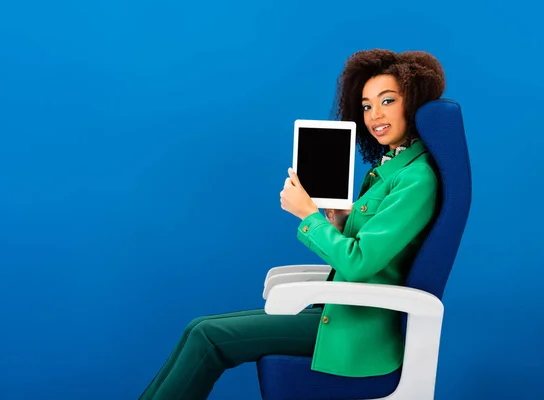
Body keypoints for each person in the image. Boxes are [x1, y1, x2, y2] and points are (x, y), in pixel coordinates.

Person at [137, 48, 446, 400]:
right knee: (199, 328)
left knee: (207, 336)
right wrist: (340, 221)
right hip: (340, 314)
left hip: (356, 329)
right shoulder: (391, 170)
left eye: (387, 100)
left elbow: (359, 264)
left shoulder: (415, 179)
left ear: (415, 102)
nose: (374, 115)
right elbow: (374, 251)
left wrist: (308, 217)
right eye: (366, 105)